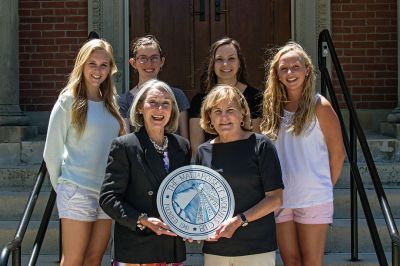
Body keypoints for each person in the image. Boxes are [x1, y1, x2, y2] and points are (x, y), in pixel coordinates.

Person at [261, 42, 345, 266]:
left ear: (307, 69)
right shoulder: (273, 108)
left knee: (311, 261)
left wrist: (324, 186)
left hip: (313, 197)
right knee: (291, 260)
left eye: (295, 67)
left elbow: (338, 154)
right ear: (277, 75)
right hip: (281, 198)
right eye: (283, 68)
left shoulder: (320, 105)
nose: (290, 73)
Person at [43, 38, 125, 266]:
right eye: (92, 63)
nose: (98, 70)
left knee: (94, 258)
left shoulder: (111, 103)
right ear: (82, 64)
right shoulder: (68, 100)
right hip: (76, 190)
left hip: (106, 194)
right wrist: (62, 186)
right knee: (73, 259)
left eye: (104, 65)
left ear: (110, 69)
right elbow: (52, 151)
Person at [99, 79, 191, 265]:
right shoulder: (125, 146)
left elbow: (187, 194)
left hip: (170, 247)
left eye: (166, 104)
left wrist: (192, 225)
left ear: (172, 109)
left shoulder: (182, 146)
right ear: (140, 107)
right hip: (136, 247)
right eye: (153, 102)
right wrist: (142, 219)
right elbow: (108, 198)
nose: (159, 109)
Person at [195, 85, 284, 266]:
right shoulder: (203, 151)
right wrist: (195, 228)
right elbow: (200, 201)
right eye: (217, 111)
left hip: (256, 248)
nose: (224, 117)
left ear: (242, 113)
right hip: (216, 249)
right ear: (209, 117)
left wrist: (239, 221)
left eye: (230, 110)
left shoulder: (261, 145)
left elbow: (275, 199)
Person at [189, 37, 262, 158]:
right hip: (212, 169)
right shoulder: (199, 101)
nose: (225, 64)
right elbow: (197, 149)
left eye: (231, 58)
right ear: (212, 64)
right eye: (219, 59)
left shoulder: (255, 97)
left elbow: (256, 141)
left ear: (240, 62)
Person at [118, 35, 190, 138]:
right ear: (133, 63)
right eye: (143, 58)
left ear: (162, 61)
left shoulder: (177, 95)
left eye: (154, 58)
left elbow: (185, 139)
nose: (149, 63)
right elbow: (126, 142)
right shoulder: (124, 101)